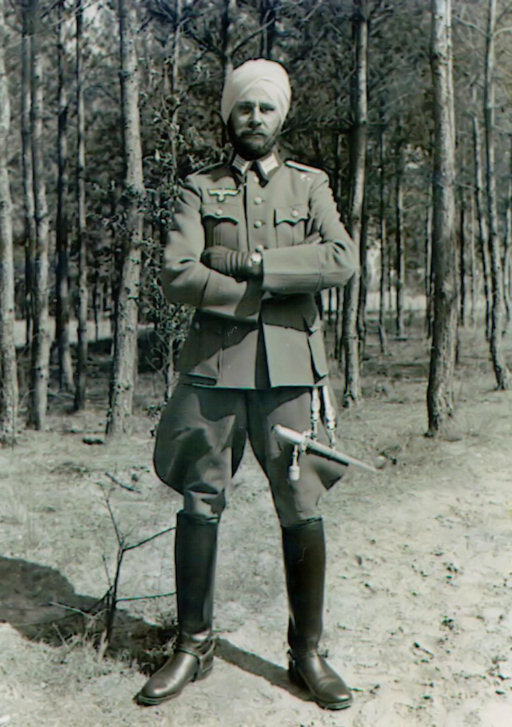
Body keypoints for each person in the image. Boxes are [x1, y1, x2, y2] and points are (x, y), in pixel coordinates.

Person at [136, 59, 359, 711]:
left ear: (280, 116)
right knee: (201, 500)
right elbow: (177, 274)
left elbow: (340, 259)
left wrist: (255, 265)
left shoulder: (308, 185)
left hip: (291, 368)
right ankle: (193, 643)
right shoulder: (198, 188)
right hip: (215, 369)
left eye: (265, 109)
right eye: (243, 109)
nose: (253, 119)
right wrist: (270, 287)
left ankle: (308, 653)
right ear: (228, 115)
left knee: (302, 502)